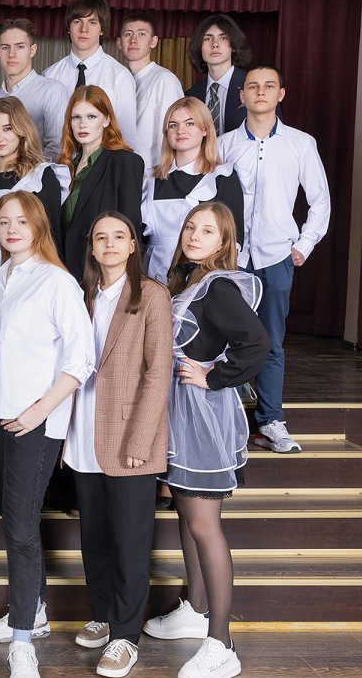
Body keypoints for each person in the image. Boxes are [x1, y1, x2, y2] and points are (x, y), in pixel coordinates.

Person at [141, 202, 269, 678]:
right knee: (185, 515)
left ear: (224, 241)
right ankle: (195, 610)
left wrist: (214, 377)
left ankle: (222, 642)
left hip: (201, 413)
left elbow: (256, 343)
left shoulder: (218, 286)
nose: (194, 236)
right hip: (178, 410)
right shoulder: (188, 280)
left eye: (208, 231)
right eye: (190, 227)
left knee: (203, 523)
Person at [0, 192, 94, 678]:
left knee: (20, 529)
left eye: (21, 221)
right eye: (3, 221)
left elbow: (81, 359)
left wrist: (38, 411)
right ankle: (35, 608)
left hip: (34, 422)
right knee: (13, 518)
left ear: (39, 226)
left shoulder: (57, 282)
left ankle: (23, 644)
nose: (11, 229)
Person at [62, 211, 173, 678]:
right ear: (91, 247)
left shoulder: (151, 295)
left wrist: (142, 438)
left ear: (132, 245)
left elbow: (158, 371)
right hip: (83, 434)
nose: (109, 244)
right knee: (95, 537)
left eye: (119, 237)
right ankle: (104, 614)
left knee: (129, 540)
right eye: (100, 237)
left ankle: (126, 635)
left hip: (129, 436)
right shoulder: (80, 295)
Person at [219, 65, 330, 454]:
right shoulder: (224, 144)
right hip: (231, 258)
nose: (260, 92)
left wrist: (305, 244)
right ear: (242, 96)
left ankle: (270, 422)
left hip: (276, 254)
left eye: (269, 86)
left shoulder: (300, 143)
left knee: (271, 340)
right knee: (226, 338)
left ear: (280, 94)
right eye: (253, 86)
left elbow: (320, 200)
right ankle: (226, 421)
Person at [140, 97, 245, 282]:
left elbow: (233, 240)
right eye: (173, 125)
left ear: (205, 129)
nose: (180, 130)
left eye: (189, 123)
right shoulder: (149, 178)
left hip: (201, 277)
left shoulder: (223, 176)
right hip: (152, 274)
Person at [0, 96, 69, 288]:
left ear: (22, 131)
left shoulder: (41, 176)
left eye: (7, 129)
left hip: (28, 277)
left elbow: (51, 238)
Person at [56, 85, 144, 283]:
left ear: (106, 120)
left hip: (102, 272)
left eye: (91, 117)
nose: (82, 124)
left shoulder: (125, 162)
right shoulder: (63, 167)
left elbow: (131, 229)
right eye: (76, 117)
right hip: (64, 272)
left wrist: (125, 281)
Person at [43, 0, 139, 152]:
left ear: (102, 29)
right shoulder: (49, 75)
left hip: (104, 164)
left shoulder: (120, 76)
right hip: (57, 162)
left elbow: (127, 138)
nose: (84, 29)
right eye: (77, 21)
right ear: (68, 28)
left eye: (92, 22)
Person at [0, 18, 68, 160]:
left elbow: (57, 148)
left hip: (38, 173)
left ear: (32, 50)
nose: (11, 54)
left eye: (20, 47)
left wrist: (22, 171)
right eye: (5, 47)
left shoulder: (52, 91)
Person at [117, 10, 184, 170]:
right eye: (128, 34)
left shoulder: (164, 80)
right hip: (121, 169)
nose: (133, 40)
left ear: (153, 42)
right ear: (119, 43)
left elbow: (174, 133)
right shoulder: (117, 81)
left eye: (141, 34)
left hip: (152, 172)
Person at [185, 14, 252, 136]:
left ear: (234, 46)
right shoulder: (190, 95)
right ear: (199, 47)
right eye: (207, 39)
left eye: (223, 38)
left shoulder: (254, 86)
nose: (215, 44)